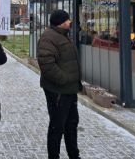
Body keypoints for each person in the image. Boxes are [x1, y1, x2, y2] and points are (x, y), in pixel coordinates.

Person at [37, 9, 81, 159]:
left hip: (69, 91)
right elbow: (47, 65)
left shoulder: (63, 36)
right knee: (57, 127)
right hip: (58, 92)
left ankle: (74, 155)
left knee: (71, 125)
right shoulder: (48, 38)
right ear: (61, 22)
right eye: (68, 20)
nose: (70, 22)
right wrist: (65, 79)